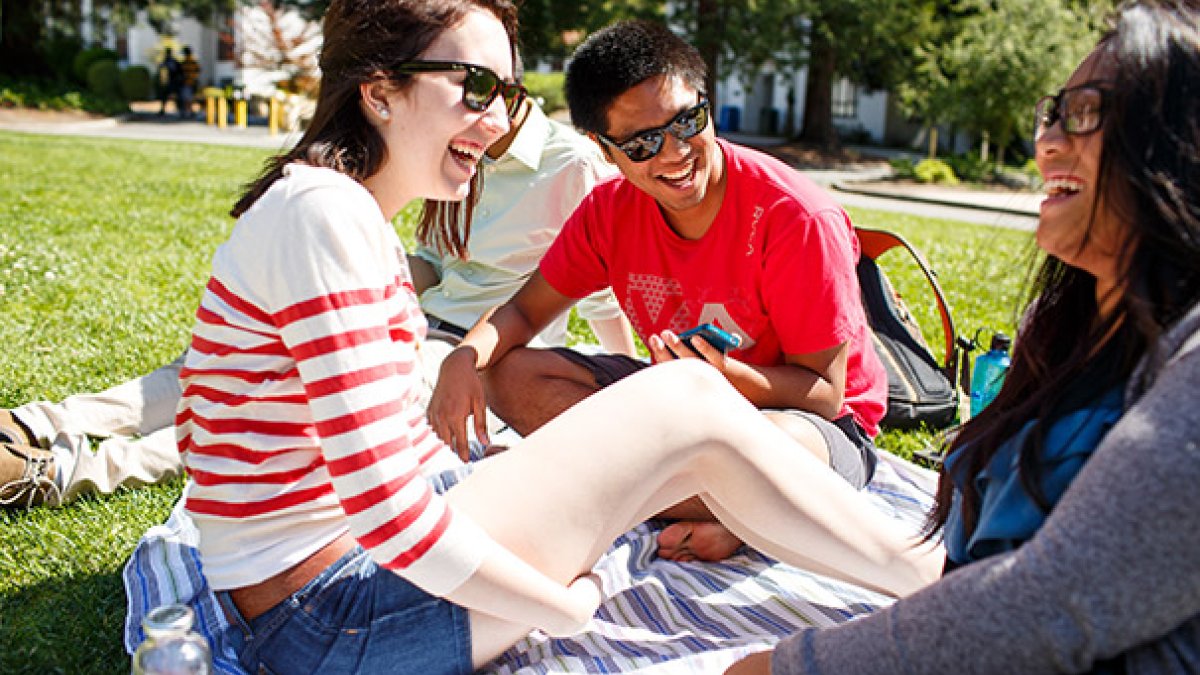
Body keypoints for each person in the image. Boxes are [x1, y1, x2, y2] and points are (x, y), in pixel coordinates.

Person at [174, 0, 941, 672]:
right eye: (474, 88)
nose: (499, 120)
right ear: (379, 91)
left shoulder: (337, 213)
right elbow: (383, 509)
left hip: (331, 594)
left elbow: (830, 392)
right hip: (333, 620)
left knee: (689, 399)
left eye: (507, 93)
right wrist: (567, 606)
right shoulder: (325, 216)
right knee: (680, 397)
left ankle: (929, 579)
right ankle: (943, 584)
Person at [727, 1, 1200, 672]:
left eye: (1088, 111)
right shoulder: (1064, 322)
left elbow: (1044, 605)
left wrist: (791, 664)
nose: (1048, 143)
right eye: (1052, 112)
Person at [0, 68, 632, 510]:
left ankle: (63, 472)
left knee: (286, 411)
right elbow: (436, 263)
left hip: (470, 356)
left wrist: (621, 371)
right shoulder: (454, 156)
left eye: (487, 91)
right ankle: (41, 423)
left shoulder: (571, 166)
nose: (474, 109)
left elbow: (598, 286)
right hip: (416, 319)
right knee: (232, 363)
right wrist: (349, 290)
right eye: (466, 89)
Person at [427, 19, 887, 562]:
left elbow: (825, 394)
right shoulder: (609, 211)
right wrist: (461, 358)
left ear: (705, 102)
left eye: (688, 121)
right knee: (507, 373)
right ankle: (727, 511)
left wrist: (720, 379)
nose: (675, 154)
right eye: (643, 143)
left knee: (778, 454)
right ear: (604, 149)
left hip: (808, 425)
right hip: (674, 405)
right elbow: (524, 313)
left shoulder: (795, 217)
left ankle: (687, 501)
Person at [156, 47, 182, 116]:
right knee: (167, 96)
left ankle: (179, 109)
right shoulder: (170, 61)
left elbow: (177, 70)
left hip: (172, 81)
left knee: (174, 96)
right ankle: (164, 109)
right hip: (170, 81)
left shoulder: (170, 61)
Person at [179, 46, 201, 119]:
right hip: (193, 82)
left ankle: (187, 112)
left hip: (187, 83)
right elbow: (198, 70)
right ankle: (190, 111)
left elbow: (182, 72)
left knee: (186, 99)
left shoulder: (186, 62)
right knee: (189, 99)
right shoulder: (194, 61)